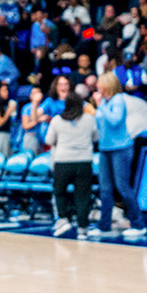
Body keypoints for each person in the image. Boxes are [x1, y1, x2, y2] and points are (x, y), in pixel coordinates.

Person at [92, 74, 147, 240]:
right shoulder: (106, 103)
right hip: (105, 149)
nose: (98, 88)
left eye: (100, 85)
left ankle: (139, 224)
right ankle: (104, 224)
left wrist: (100, 106)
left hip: (121, 148)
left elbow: (114, 121)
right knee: (105, 188)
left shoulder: (118, 100)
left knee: (122, 186)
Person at [45, 93, 98, 240]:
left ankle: (63, 219)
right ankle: (83, 228)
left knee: (59, 191)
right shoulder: (89, 119)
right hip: (84, 162)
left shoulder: (57, 120)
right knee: (82, 196)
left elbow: (49, 140)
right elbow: (96, 137)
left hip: (63, 161)